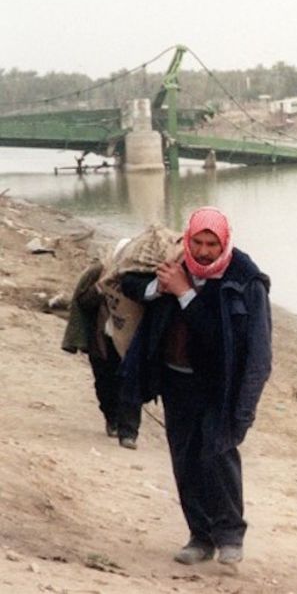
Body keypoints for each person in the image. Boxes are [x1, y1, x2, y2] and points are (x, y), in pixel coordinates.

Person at [119, 207, 272, 566]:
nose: (203, 252)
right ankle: (200, 537)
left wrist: (185, 293)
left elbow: (233, 345)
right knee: (185, 460)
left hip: (219, 387)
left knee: (218, 457)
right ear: (188, 240)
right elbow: (131, 284)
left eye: (211, 244)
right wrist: (161, 287)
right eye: (198, 242)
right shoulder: (175, 265)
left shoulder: (245, 281)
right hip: (175, 381)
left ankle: (230, 535)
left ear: (225, 244)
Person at [61, 257, 142, 449]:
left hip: (130, 342)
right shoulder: (100, 273)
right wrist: (101, 288)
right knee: (105, 383)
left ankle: (128, 432)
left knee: (130, 386)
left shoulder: (140, 278)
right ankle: (111, 418)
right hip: (102, 340)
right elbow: (83, 302)